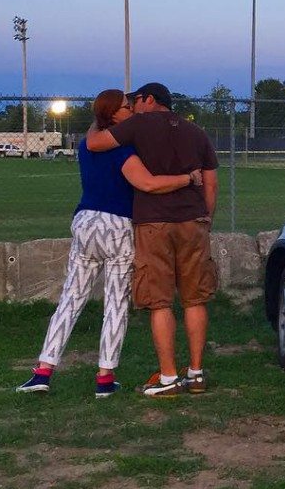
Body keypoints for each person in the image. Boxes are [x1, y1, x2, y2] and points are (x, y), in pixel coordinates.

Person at [16, 89, 201, 398]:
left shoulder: (88, 146)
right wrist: (187, 179)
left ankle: (43, 371)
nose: (132, 111)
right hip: (116, 225)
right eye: (126, 108)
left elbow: (95, 129)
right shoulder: (124, 152)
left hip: (85, 222)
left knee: (71, 299)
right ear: (115, 114)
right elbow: (147, 184)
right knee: (115, 303)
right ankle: (104, 378)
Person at [86, 81, 219, 398]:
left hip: (153, 223)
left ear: (149, 100)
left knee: (159, 301)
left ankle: (169, 378)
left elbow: (95, 144)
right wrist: (205, 218)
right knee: (195, 298)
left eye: (135, 100)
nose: (132, 106)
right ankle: (196, 374)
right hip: (193, 221)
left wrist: (96, 120)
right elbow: (211, 183)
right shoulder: (196, 132)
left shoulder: (137, 125)